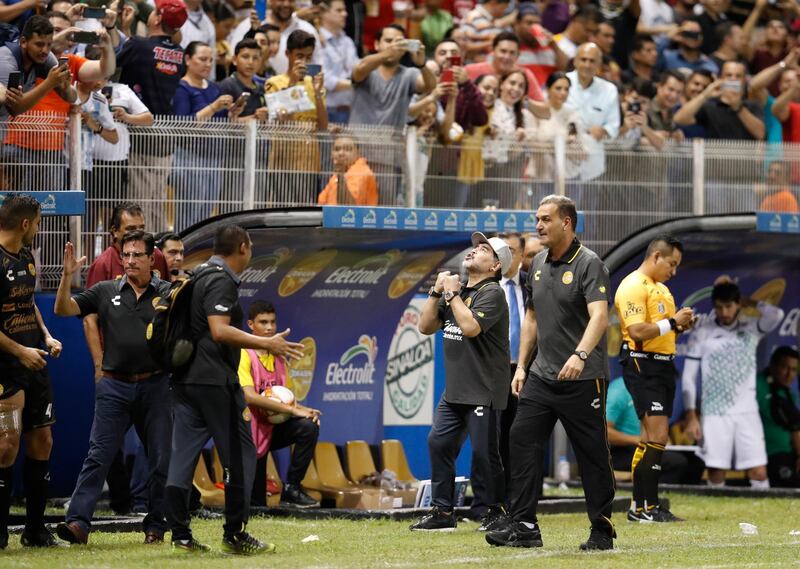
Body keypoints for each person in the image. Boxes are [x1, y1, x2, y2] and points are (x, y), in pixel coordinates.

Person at [165, 225, 305, 554]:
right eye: (251, 247)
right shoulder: (220, 279)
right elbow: (219, 331)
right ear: (242, 247)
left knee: (181, 458)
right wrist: (266, 343)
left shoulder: (197, 274)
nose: (251, 252)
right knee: (242, 456)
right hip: (215, 382)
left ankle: (180, 535)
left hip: (186, 380)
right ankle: (235, 534)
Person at [486, 195, 615, 551]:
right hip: (542, 377)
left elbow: (600, 317)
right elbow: (531, 318)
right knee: (521, 441)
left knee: (591, 454)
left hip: (583, 378)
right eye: (537, 219)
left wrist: (580, 354)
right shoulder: (538, 262)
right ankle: (525, 525)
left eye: (545, 219)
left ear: (567, 223)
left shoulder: (590, 264)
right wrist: (523, 366)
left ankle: (601, 530)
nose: (538, 225)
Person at [54, 232, 173, 545]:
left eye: (137, 255)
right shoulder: (105, 290)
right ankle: (78, 523)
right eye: (127, 255)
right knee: (98, 456)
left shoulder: (169, 294)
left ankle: (156, 527)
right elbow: (63, 310)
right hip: (114, 386)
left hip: (157, 386)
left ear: (152, 259)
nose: (131, 261)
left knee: (161, 459)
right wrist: (67, 277)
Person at [411, 232, 510, 532]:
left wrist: (452, 295)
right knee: (438, 443)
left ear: (495, 266)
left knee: (483, 453)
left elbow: (470, 328)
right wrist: (435, 292)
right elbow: (425, 326)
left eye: (483, 250)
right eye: (475, 247)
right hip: (455, 390)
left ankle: (495, 511)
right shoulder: (459, 291)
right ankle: (442, 513)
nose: (474, 251)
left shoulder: (493, 293)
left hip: (484, 389)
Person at [614, 234, 695, 522]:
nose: (673, 271)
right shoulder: (633, 285)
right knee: (658, 436)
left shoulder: (661, 289)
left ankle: (643, 507)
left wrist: (679, 327)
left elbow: (661, 330)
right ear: (656, 256)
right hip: (642, 365)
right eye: (671, 263)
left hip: (662, 365)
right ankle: (645, 507)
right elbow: (637, 331)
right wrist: (673, 322)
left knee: (651, 438)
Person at [0, 195, 62, 549]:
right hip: (7, 366)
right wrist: (20, 350)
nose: (39, 229)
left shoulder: (26, 256)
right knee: (6, 445)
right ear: (25, 224)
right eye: (38, 223)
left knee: (43, 440)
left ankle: (35, 530)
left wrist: (47, 335)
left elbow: (28, 305)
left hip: (35, 360)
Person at [682, 279, 783, 489]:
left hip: (747, 412)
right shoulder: (702, 333)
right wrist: (692, 416)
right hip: (714, 412)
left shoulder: (752, 327)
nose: (724, 312)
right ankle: (717, 518)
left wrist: (750, 302)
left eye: (729, 306)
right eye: (719, 307)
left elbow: (777, 315)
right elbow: (689, 378)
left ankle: (764, 517)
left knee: (758, 470)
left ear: (738, 304)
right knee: (717, 470)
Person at [238, 300, 321, 508]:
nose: (269, 328)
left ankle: (292, 488)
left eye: (272, 322)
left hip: (271, 428)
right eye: (263, 322)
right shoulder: (244, 354)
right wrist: (293, 409)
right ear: (250, 324)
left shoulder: (279, 359)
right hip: (248, 433)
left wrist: (303, 410)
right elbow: (249, 396)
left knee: (308, 427)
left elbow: (286, 397)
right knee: (256, 505)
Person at [117, 0, 188, 231]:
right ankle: (158, 250)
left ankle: (144, 251)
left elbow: (116, 60)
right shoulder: (179, 54)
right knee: (156, 201)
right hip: (165, 135)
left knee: (138, 203)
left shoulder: (139, 46)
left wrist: (119, 29)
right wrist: (128, 33)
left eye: (155, 10)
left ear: (157, 18)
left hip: (140, 132)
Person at [172, 40, 243, 231]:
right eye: (202, 59)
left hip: (214, 157)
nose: (207, 64)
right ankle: (181, 252)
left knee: (206, 211)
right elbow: (183, 125)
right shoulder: (182, 88)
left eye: (210, 60)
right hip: (189, 157)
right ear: (187, 59)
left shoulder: (213, 88)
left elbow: (221, 122)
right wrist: (213, 107)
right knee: (189, 211)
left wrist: (233, 114)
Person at [265, 29, 327, 204]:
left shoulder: (315, 84)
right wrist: (292, 82)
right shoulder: (274, 83)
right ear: (287, 54)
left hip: (310, 161)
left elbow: (323, 126)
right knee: (280, 209)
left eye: (308, 57)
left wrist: (317, 94)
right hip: (282, 158)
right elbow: (284, 121)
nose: (304, 62)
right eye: (299, 56)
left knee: (304, 211)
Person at [606, 377, 702, 484]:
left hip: (646, 445)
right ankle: (650, 494)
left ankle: (687, 497)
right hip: (619, 451)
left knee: (696, 463)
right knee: (676, 462)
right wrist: (638, 440)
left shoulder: (654, 390)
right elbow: (605, 432)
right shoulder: (618, 391)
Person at [495, 232, 526, 496]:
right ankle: (491, 499)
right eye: (499, 252)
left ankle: (523, 495)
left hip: (525, 369)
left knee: (522, 435)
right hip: (494, 371)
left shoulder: (532, 284)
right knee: (492, 437)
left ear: (522, 256)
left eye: (510, 251)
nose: (504, 257)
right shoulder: (488, 285)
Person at [565, 43, 620, 181]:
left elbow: (614, 125)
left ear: (599, 64)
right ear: (575, 61)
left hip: (592, 163)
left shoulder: (609, 90)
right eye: (583, 59)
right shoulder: (562, 82)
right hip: (563, 157)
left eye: (592, 61)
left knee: (588, 202)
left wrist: (604, 130)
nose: (587, 65)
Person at [674, 61, 765, 141]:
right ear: (720, 79)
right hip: (715, 159)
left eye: (738, 76)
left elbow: (761, 134)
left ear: (744, 81)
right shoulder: (710, 106)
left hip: (743, 159)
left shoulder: (753, 105)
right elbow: (679, 119)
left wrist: (738, 107)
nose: (733, 79)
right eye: (728, 75)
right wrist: (705, 95)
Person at [756, 346, 800, 488]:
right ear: (773, 366)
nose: (789, 374)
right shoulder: (757, 385)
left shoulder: (789, 394)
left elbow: (795, 428)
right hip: (769, 456)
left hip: (790, 455)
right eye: (785, 368)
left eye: (793, 370)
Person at [464, 31, 545, 102]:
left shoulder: (524, 75)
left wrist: (522, 100)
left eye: (512, 53)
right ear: (493, 50)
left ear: (518, 55)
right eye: (503, 51)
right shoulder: (470, 70)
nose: (507, 57)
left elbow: (545, 111)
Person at [318, 0, 358, 124]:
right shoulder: (317, 40)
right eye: (339, 10)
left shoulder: (347, 41)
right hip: (327, 110)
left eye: (345, 10)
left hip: (350, 110)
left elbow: (355, 68)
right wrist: (356, 84)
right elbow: (325, 79)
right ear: (324, 13)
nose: (345, 14)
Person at [514, 3, 568, 89]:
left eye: (537, 23)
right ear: (517, 24)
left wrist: (554, 45)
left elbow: (566, 68)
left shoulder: (550, 47)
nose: (534, 27)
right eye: (529, 23)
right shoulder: (511, 49)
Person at [317, 135, 378, 205]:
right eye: (337, 149)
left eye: (347, 149)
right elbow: (321, 202)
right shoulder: (339, 174)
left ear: (358, 153)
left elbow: (348, 206)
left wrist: (340, 174)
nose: (341, 153)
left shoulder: (361, 171)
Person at [217, 39, 268, 120]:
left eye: (255, 58)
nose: (250, 62)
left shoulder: (262, 89)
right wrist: (255, 118)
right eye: (245, 57)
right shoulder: (227, 85)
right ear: (234, 60)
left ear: (260, 61)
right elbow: (221, 123)